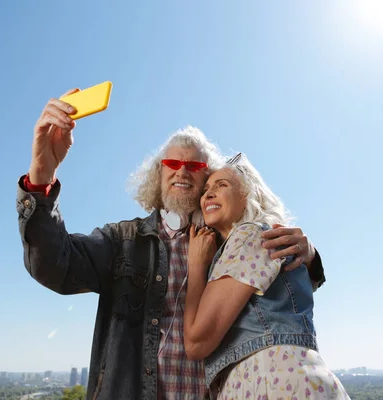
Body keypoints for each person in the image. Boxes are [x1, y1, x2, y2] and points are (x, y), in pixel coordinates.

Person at [16, 89, 327, 399]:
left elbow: (281, 302)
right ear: (158, 174)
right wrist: (41, 176)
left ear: (208, 181)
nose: (182, 170)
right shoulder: (122, 241)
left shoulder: (232, 245)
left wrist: (309, 255)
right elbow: (55, 266)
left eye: (194, 167)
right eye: (173, 162)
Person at [184, 153, 349, 399]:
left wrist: (196, 265)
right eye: (206, 189)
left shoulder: (248, 236)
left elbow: (196, 342)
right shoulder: (259, 241)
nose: (208, 194)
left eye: (222, 185)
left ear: (248, 194)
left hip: (268, 381)